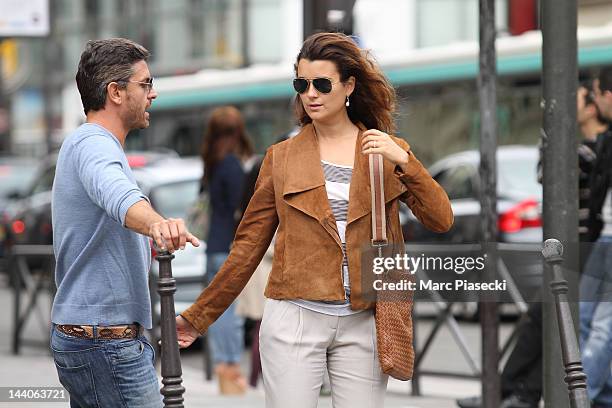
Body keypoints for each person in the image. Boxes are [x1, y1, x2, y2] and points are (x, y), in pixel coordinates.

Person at [176, 32, 453, 407]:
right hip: (295, 317)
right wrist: (199, 316)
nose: (311, 94)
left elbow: (441, 219)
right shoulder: (281, 158)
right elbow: (247, 247)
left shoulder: (384, 151)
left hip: (365, 317)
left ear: (349, 85)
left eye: (322, 84)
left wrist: (405, 162)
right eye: (301, 84)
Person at [50, 38, 199, 408]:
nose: (153, 94)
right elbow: (118, 196)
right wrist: (157, 225)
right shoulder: (93, 144)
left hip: (97, 338)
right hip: (104, 343)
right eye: (145, 84)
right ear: (116, 92)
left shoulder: (93, 144)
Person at [457, 82, 610, 408]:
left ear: (592, 107)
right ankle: (512, 393)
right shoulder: (579, 147)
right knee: (547, 321)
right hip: (569, 247)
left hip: (588, 246)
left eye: (577, 100)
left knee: (566, 324)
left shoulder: (597, 149)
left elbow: (561, 165)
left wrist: (555, 132)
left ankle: (520, 394)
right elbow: (545, 172)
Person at [200, 106, 254, 394]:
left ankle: (225, 367)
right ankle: (230, 369)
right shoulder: (231, 165)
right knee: (231, 314)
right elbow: (242, 210)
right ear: (236, 131)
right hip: (228, 247)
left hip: (213, 245)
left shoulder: (211, 162)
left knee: (221, 311)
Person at [580, 69, 612, 408]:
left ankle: (580, 399)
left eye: (598, 93)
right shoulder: (607, 140)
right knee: (584, 319)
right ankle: (602, 398)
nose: (595, 99)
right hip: (603, 237)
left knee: (603, 328)